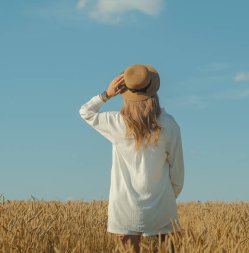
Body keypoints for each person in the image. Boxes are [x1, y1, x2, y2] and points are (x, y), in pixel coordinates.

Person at [79, 64, 185, 253]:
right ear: (153, 91)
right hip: (162, 208)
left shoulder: (116, 123)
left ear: (125, 93)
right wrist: (168, 197)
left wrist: (106, 94)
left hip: (125, 209)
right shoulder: (169, 125)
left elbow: (85, 112)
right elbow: (177, 171)